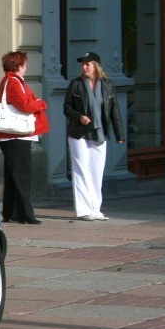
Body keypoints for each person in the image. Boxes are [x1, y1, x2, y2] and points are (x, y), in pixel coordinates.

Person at [63, 51, 125, 221]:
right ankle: (84, 210)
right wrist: (79, 117)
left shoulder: (107, 85)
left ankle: (95, 209)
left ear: (96, 66)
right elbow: (66, 108)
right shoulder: (76, 84)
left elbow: (114, 111)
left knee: (96, 172)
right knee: (81, 170)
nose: (84, 67)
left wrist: (119, 134)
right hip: (79, 133)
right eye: (82, 64)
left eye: (87, 64)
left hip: (100, 133)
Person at [0, 50, 50, 224]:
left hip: (10, 135)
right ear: (18, 66)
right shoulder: (14, 82)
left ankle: (10, 211)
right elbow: (25, 105)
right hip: (16, 135)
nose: (26, 68)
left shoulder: (9, 81)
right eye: (25, 65)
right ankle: (25, 214)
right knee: (22, 175)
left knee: (13, 175)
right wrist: (41, 103)